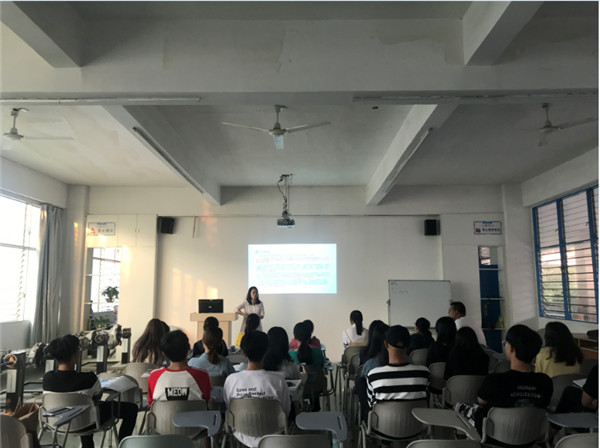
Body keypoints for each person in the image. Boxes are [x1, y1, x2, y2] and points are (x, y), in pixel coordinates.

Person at [456, 324, 553, 435]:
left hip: (494, 435)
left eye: (505, 343)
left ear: (511, 348)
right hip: (530, 436)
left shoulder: (495, 380)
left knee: (459, 406)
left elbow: (481, 400)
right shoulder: (545, 382)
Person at [43, 335, 137, 448]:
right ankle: (123, 444)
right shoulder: (89, 378)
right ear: (75, 354)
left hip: (56, 422)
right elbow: (98, 396)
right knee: (131, 409)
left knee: (84, 408)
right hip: (88, 422)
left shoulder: (47, 378)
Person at [224, 331, 291, 448]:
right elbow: (286, 411)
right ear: (267, 350)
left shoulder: (231, 380)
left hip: (241, 434)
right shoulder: (278, 381)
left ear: (243, 353)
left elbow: (229, 407)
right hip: (273, 433)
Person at [365, 325, 429, 438]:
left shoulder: (374, 375)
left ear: (385, 344)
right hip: (416, 427)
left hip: (383, 428)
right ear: (409, 345)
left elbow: (371, 405)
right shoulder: (424, 373)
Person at [147, 330, 211, 405]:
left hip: (163, 413)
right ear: (188, 349)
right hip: (195, 413)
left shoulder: (154, 376)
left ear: (164, 353)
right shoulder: (202, 375)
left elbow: (151, 404)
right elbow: (206, 401)